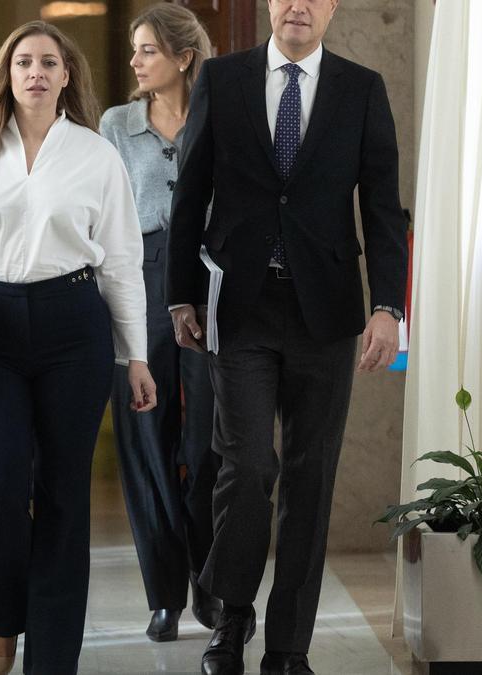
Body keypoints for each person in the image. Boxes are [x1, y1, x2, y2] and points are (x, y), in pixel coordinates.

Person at [165, 0, 408, 673]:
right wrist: (181, 292)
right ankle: (231, 615)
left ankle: (288, 646)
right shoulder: (223, 80)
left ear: (332, 7)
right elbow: (191, 190)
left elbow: (382, 206)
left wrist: (389, 306)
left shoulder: (362, 89)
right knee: (246, 467)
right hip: (239, 307)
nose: (298, 5)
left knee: (310, 476)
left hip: (324, 313)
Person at [0, 21, 157, 675]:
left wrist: (135, 355)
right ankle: (4, 614)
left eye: (49, 62)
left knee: (63, 498)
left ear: (66, 75)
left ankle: (52, 661)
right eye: (24, 61)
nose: (36, 72)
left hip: (73, 325)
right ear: (6, 73)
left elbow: (122, 260)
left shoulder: (96, 155)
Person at [99, 2, 221, 644]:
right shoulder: (116, 125)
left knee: (207, 442)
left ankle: (209, 577)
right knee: (146, 438)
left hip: (209, 280)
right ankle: (164, 595)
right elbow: (103, 212)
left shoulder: (220, 113)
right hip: (137, 276)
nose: (135, 61)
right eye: (135, 49)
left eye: (148, 49)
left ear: (183, 56)